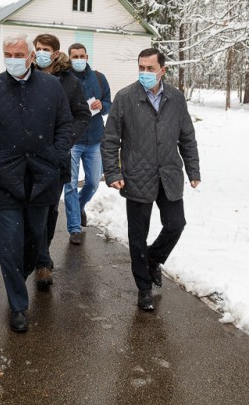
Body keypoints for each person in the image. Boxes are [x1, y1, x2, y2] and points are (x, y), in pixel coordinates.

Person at [0, 34, 73, 332]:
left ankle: (20, 274)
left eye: (18, 53)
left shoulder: (51, 87)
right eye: (7, 53)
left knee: (34, 240)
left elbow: (65, 124)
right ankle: (18, 304)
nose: (13, 58)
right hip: (6, 178)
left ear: (30, 56)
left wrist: (55, 153)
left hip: (43, 177)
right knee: (10, 244)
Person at [101, 47, 201, 312]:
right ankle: (143, 289)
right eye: (141, 68)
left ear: (162, 71)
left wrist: (194, 171)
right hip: (136, 176)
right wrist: (113, 173)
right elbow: (110, 140)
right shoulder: (125, 98)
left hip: (168, 174)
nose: (145, 73)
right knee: (137, 235)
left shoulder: (176, 99)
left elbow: (187, 137)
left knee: (175, 224)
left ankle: (152, 259)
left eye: (150, 69)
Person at [31, 34, 90, 291]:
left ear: (55, 54)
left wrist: (64, 141)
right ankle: (36, 255)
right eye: (37, 49)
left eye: (45, 49)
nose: (40, 53)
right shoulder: (25, 75)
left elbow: (82, 116)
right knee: (29, 209)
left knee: (50, 210)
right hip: (24, 155)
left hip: (55, 157)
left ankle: (42, 258)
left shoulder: (70, 82)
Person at [64, 43, 111, 235]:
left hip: (95, 139)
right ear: (69, 58)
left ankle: (79, 205)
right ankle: (74, 228)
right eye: (74, 56)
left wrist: (102, 105)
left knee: (92, 183)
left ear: (87, 56)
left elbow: (109, 103)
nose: (78, 59)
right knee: (70, 184)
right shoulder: (64, 79)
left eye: (81, 56)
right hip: (73, 140)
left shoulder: (99, 78)